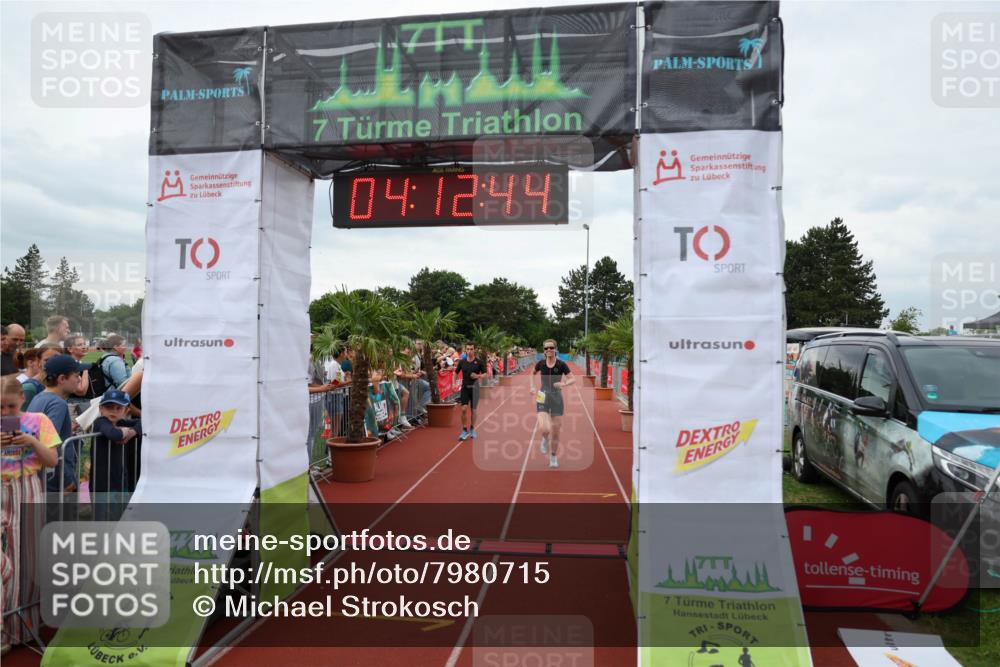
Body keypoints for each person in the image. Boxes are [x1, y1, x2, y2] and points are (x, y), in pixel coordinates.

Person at [1, 375, 60, 651]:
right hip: (2, 490)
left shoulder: (38, 421)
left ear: (22, 399)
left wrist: (31, 442)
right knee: (6, 566)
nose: (5, 413)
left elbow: (52, 460)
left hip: (29, 490)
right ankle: (4, 626)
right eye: (0, 408)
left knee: (29, 560)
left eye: (10, 407)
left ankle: (22, 630)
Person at [27, 354, 89, 496]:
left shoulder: (39, 397)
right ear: (62, 379)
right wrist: (67, 479)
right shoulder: (58, 403)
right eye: (76, 375)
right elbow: (51, 443)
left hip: (42, 475)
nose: (79, 379)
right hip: (55, 479)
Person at [90, 389, 140, 521]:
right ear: (101, 408)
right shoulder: (100, 422)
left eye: (119, 408)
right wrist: (123, 432)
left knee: (119, 518)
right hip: (102, 485)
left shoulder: (121, 423)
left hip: (119, 482)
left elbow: (144, 423)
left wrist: (133, 431)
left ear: (126, 410)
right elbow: (114, 434)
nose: (114, 411)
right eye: (109, 407)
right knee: (103, 521)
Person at [531, 339, 574, 469]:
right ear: (543, 351)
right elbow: (532, 374)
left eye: (551, 348)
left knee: (555, 432)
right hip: (542, 395)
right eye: (545, 348)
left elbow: (573, 378)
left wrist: (563, 383)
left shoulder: (561, 364)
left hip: (556, 397)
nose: (548, 350)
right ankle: (544, 439)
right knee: (545, 428)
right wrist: (532, 386)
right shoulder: (541, 363)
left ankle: (553, 456)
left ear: (555, 349)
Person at [453, 342, 486, 441]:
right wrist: (453, 383)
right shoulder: (462, 362)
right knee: (463, 409)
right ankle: (464, 429)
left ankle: (472, 428)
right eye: (468, 349)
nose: (469, 351)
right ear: (465, 350)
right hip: (465, 388)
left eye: (471, 349)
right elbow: (455, 373)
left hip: (475, 389)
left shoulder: (479, 362)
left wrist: (478, 376)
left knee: (473, 410)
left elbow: (485, 374)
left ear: (474, 350)